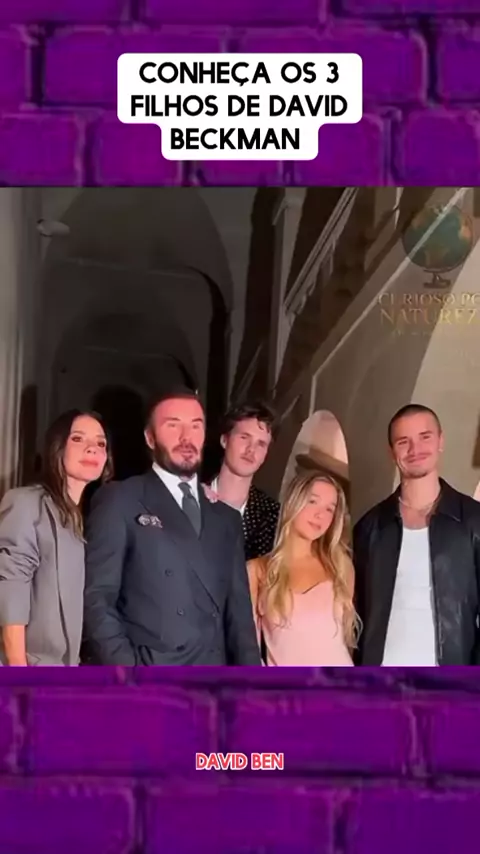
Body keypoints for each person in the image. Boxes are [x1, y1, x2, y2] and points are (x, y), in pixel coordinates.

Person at [83, 388, 261, 666]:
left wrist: (251, 683)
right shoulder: (121, 499)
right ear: (149, 437)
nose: (186, 437)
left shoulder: (226, 518)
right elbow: (97, 599)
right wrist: (130, 670)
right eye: (173, 425)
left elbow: (240, 621)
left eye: (196, 426)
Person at [353, 403, 480, 666]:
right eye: (403, 442)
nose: (415, 450)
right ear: (391, 452)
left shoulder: (473, 520)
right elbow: (354, 612)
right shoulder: (370, 527)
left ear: (441, 441)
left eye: (425, 437)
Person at [0, 410, 112, 666]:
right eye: (78, 439)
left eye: (100, 443)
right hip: (26, 670)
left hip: (65, 672)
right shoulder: (27, 502)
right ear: (57, 448)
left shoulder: (84, 518)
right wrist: (20, 675)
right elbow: (11, 589)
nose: (92, 448)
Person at [247, 471, 359, 666]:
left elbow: (344, 643)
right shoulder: (257, 571)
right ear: (293, 501)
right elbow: (247, 650)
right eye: (312, 501)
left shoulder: (341, 567)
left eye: (329, 509)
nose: (320, 515)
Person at [208, 401, 280, 561]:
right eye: (244, 437)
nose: (251, 450)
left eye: (261, 444)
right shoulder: (189, 494)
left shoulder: (273, 516)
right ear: (224, 440)